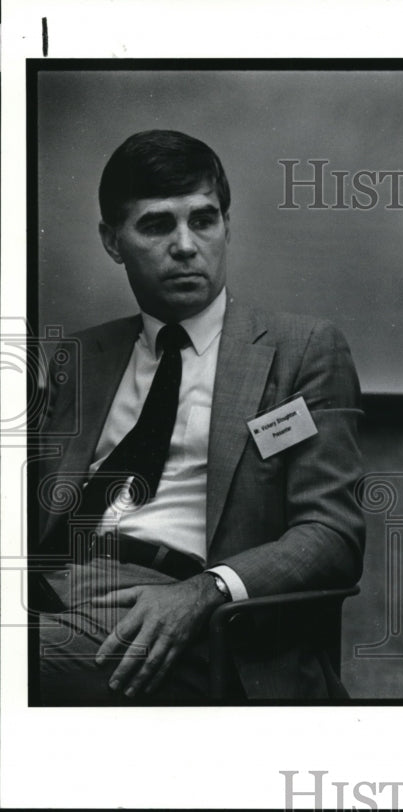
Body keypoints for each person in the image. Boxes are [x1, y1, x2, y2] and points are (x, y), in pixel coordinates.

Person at [31, 130, 365, 703]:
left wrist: (204, 592)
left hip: (177, 610)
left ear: (226, 226)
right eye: (157, 225)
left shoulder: (301, 351)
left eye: (204, 221)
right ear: (113, 242)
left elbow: (332, 535)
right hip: (48, 588)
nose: (186, 245)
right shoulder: (79, 358)